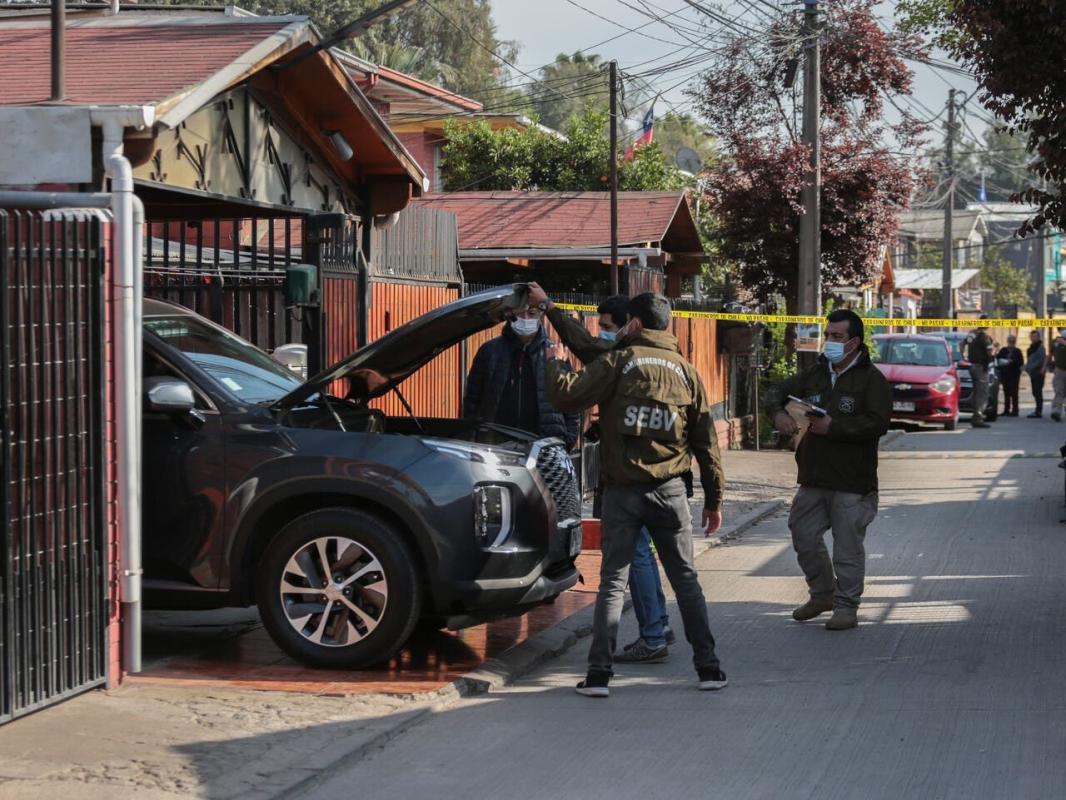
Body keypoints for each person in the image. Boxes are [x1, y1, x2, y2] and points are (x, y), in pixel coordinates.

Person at [544, 292, 727, 697]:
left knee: (613, 582)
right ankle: (709, 669)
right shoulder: (687, 372)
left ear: (635, 324)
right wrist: (714, 500)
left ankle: (598, 677)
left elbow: (566, 395)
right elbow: (707, 444)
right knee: (686, 581)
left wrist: (554, 361)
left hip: (623, 493)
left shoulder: (619, 362)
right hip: (671, 492)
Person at [531, 284, 676, 663]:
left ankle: (649, 638)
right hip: (662, 477)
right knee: (648, 555)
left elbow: (574, 375)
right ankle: (658, 625)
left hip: (629, 478)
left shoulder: (623, 358)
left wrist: (553, 344)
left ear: (631, 325)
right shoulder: (670, 361)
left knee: (630, 559)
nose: (603, 335)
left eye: (609, 327)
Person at [767, 309, 890, 631]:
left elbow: (878, 423)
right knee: (803, 535)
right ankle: (823, 594)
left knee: (847, 549)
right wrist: (778, 414)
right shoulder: (816, 373)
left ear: (854, 342)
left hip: (852, 480)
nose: (830, 342)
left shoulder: (871, 380)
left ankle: (847, 607)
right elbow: (775, 392)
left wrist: (834, 427)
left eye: (837, 336)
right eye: (828, 335)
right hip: (814, 476)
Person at [463, 303, 579, 447]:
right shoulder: (489, 351)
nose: (525, 319)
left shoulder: (554, 353)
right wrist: (472, 440)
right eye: (519, 313)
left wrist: (567, 442)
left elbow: (572, 403)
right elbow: (472, 402)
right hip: (496, 445)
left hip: (544, 447)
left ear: (541, 314)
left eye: (532, 313)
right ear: (510, 314)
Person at [964, 323, 995, 428]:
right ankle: (978, 418)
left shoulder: (971, 334)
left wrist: (963, 357)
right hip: (981, 367)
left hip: (972, 366)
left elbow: (961, 344)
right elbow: (990, 352)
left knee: (976, 393)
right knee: (982, 393)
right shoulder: (984, 337)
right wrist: (995, 350)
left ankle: (975, 417)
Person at [996, 335, 1024, 417]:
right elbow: (998, 359)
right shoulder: (1003, 350)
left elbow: (1021, 362)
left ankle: (1015, 410)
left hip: (1014, 374)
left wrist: (1012, 361)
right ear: (1007, 342)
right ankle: (1006, 410)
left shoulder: (1017, 351)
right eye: (1010, 341)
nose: (1011, 343)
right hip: (1005, 374)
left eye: (1013, 341)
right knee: (1006, 392)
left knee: (1014, 392)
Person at [1025, 330, 1047, 418]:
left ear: (1038, 337)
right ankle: (1037, 410)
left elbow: (1041, 360)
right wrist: (1027, 368)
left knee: (1038, 391)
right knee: (1034, 391)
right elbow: (1029, 360)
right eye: (1032, 336)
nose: (1033, 338)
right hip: (1032, 373)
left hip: (1039, 372)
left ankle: (1039, 411)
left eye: (1035, 336)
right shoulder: (1030, 348)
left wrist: (1032, 367)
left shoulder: (1040, 347)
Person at [1048, 328, 1066, 422]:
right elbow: (1050, 354)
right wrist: (1046, 365)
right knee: (1059, 390)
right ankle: (1056, 412)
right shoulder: (1055, 342)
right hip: (1059, 370)